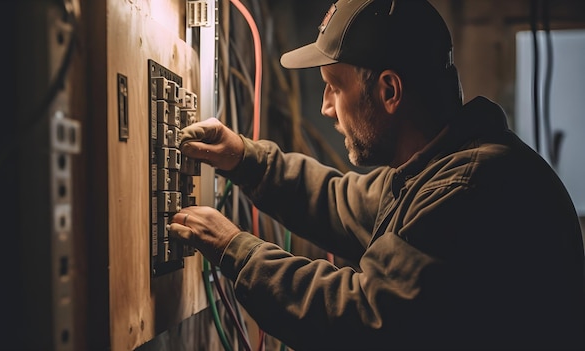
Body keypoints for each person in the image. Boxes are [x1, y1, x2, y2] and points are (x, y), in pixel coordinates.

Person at [169, 0, 585, 349]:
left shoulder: (471, 188)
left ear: (389, 91)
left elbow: (364, 318)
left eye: (334, 86)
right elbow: (338, 202)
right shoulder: (439, 167)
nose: (326, 107)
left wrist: (235, 250)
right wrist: (244, 157)